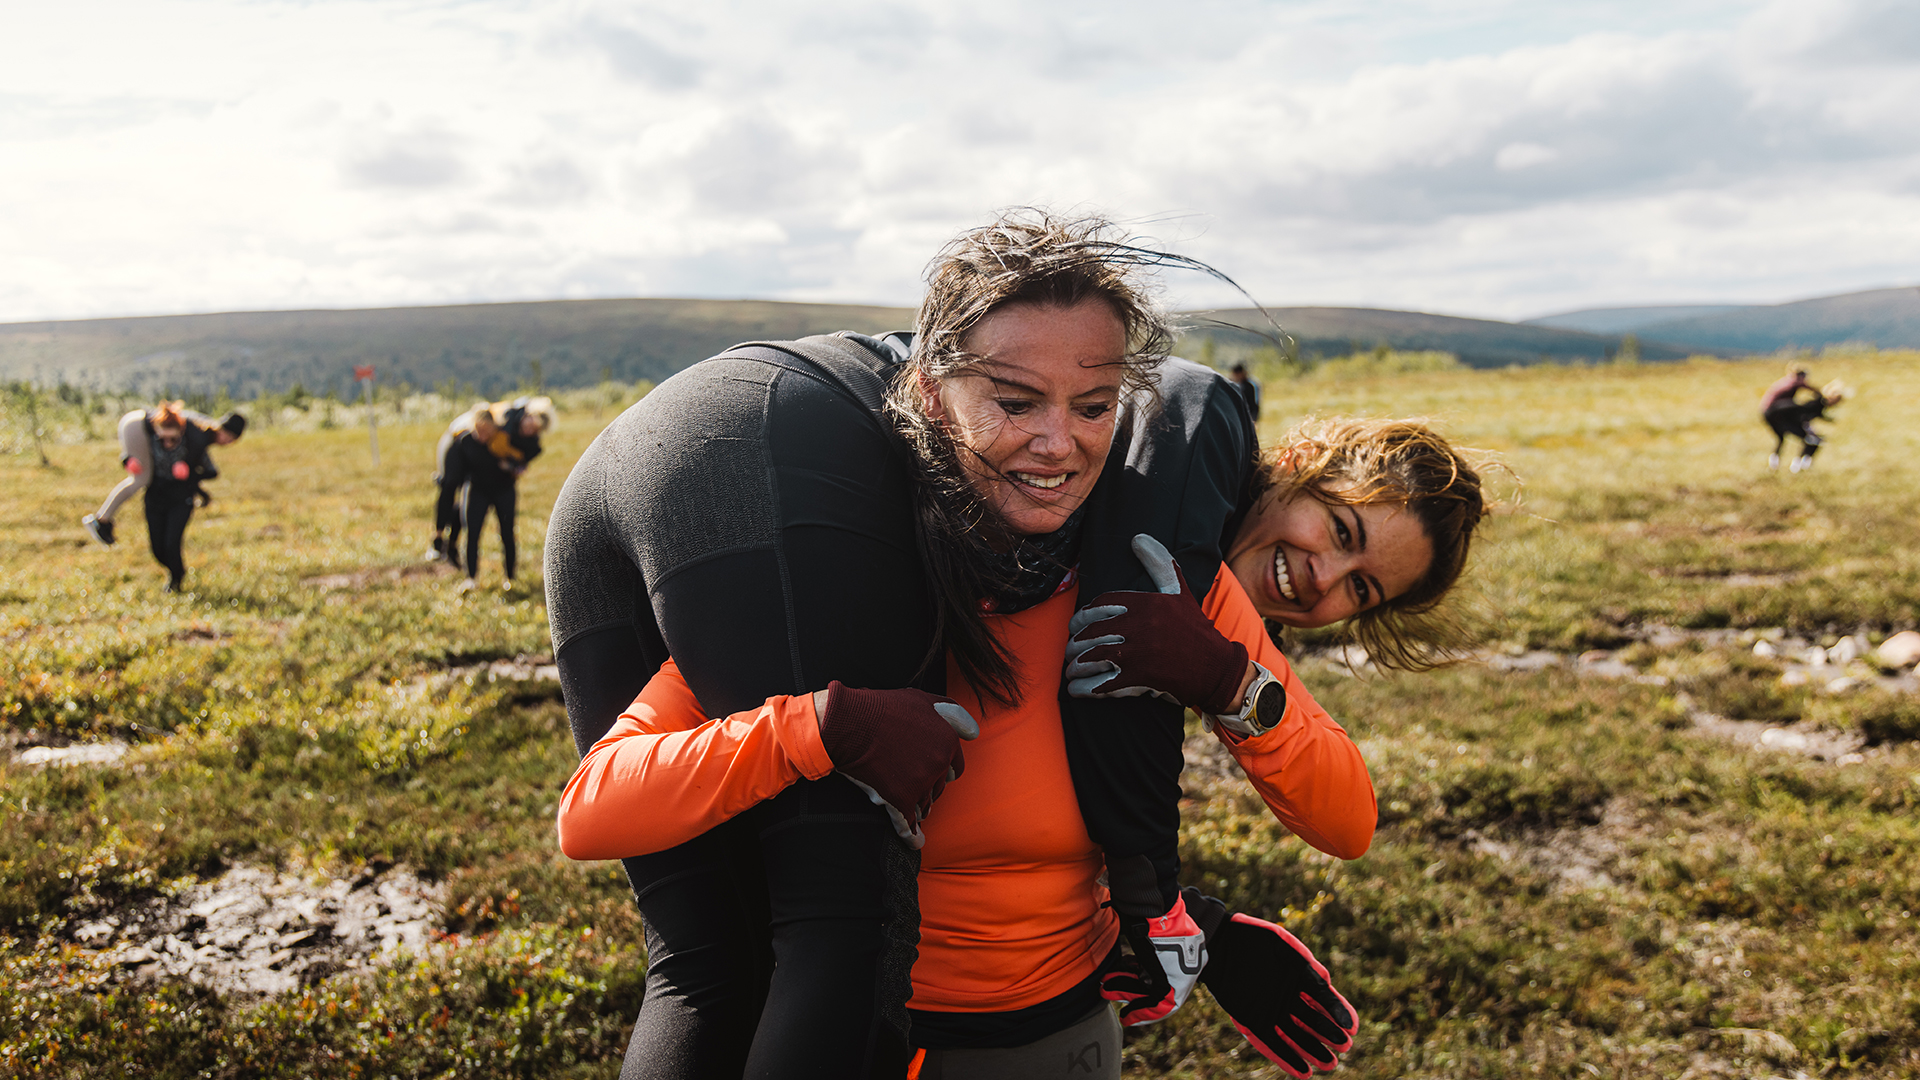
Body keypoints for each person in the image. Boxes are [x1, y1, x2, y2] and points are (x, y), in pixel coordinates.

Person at [546, 210, 1487, 1077]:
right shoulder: (854, 587)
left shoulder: (1162, 594)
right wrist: (816, 729)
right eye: (1015, 401)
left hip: (1069, 1036)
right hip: (898, 1037)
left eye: (1092, 408)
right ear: (931, 392)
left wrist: (1229, 681)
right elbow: (594, 812)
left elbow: (1348, 817)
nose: (1057, 443)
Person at [83, 403, 244, 547]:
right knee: (141, 478)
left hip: (137, 422)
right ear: (220, 428)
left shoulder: (201, 430)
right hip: (137, 426)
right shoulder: (200, 433)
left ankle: (102, 520)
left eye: (232, 440)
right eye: (227, 436)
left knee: (144, 476)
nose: (227, 442)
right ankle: (101, 520)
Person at [454, 396, 554, 589]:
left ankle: (510, 578)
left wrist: (511, 465)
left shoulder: (523, 443)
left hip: (504, 489)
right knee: (472, 533)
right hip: (476, 489)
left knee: (507, 534)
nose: (529, 428)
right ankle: (471, 578)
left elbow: (523, 463)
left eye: (534, 429)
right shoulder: (473, 437)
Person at [428, 402, 500, 569]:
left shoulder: (496, 427)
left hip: (471, 455)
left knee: (465, 500)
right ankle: (438, 539)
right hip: (453, 447)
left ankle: (452, 543)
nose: (483, 436)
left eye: (486, 434)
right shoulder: (463, 431)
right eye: (481, 432)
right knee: (449, 487)